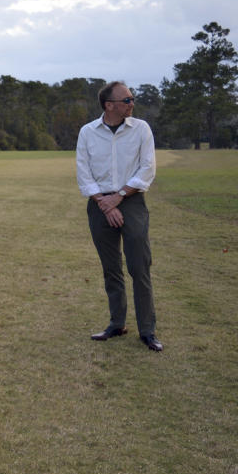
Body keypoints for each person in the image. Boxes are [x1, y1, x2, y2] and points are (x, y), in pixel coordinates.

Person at [76, 81, 162, 351]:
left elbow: (147, 168)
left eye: (131, 99)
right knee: (111, 269)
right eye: (126, 100)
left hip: (132, 201)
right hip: (99, 204)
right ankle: (117, 324)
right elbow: (83, 171)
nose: (131, 103)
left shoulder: (141, 129)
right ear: (109, 105)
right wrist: (105, 204)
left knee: (139, 267)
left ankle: (147, 330)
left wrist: (120, 197)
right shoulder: (87, 132)